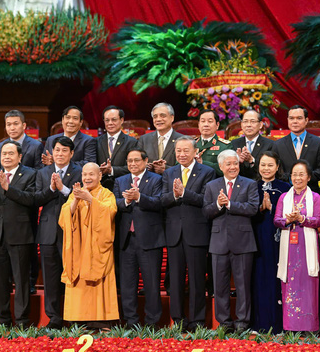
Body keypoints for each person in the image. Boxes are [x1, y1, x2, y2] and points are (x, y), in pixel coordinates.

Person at [160, 136, 216, 330]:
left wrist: (184, 193)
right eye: (178, 151)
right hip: (174, 233)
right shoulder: (169, 173)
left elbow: (206, 200)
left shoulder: (207, 172)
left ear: (195, 152)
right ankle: (177, 320)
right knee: (175, 280)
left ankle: (197, 321)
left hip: (197, 232)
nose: (182, 154)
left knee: (197, 279)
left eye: (186, 151)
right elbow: (162, 199)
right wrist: (175, 195)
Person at [0, 141, 37, 327]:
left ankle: (22, 321)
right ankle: (3, 320)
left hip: (20, 235)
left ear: (19, 156)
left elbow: (30, 200)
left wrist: (7, 188)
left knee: (21, 281)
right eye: (4, 153)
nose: (6, 157)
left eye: (11, 153)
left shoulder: (30, 174)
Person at [27, 136, 81, 329]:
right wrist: (51, 189)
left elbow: (81, 198)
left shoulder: (80, 172)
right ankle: (54, 318)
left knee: (73, 275)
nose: (60, 153)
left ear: (71, 153)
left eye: (64, 151)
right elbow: (36, 199)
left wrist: (64, 189)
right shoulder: (43, 173)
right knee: (50, 278)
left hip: (73, 232)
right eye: (57, 150)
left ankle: (73, 316)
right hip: (49, 232)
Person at [203, 150, 258, 331]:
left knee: (243, 285)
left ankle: (243, 321)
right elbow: (206, 212)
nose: (233, 167)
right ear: (221, 167)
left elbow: (252, 209)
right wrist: (219, 204)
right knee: (220, 286)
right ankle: (224, 322)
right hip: (218, 242)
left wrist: (230, 204)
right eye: (228, 164)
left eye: (235, 163)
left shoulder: (249, 184)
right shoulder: (212, 186)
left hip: (243, 241)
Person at [274, 160, 320, 332]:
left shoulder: (315, 197)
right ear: (290, 177)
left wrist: (302, 219)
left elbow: (318, 221)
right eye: (294, 174)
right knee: (289, 283)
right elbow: (277, 220)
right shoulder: (284, 197)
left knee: (308, 285)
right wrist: (288, 220)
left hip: (307, 247)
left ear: (308, 177)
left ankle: (309, 327)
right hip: (289, 249)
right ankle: (291, 327)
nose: (297, 178)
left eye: (301, 174)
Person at [59, 162, 119, 326]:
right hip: (78, 246)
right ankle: (76, 319)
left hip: (97, 247)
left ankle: (102, 320)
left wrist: (91, 200)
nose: (87, 178)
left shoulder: (107, 194)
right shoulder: (75, 194)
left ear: (100, 176)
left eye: (91, 174)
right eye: (85, 174)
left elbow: (110, 212)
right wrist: (76, 200)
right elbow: (64, 217)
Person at [112, 149, 165, 327]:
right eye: (129, 161)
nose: (133, 164)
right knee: (127, 285)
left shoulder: (157, 179)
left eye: (136, 160)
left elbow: (159, 203)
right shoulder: (120, 181)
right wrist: (126, 201)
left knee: (151, 283)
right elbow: (114, 204)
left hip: (150, 240)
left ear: (145, 160)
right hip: (126, 240)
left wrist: (139, 197)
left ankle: (152, 323)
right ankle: (131, 322)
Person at [250, 151, 289, 332]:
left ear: (277, 166)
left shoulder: (286, 188)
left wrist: (273, 209)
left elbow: (289, 214)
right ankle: (258, 323)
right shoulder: (252, 186)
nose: (266, 168)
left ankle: (279, 323)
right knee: (258, 278)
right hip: (256, 237)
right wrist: (260, 208)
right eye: (263, 165)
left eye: (270, 165)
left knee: (277, 277)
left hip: (279, 238)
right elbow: (247, 213)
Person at [272, 105, 320, 189]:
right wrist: (291, 179)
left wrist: (305, 179)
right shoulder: (278, 144)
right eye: (291, 118)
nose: (295, 121)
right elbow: (276, 169)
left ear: (306, 120)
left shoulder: (318, 143)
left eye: (299, 118)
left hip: (311, 191)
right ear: (287, 120)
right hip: (286, 191)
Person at [97, 106, 137, 189]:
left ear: (121, 120)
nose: (110, 123)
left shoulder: (131, 142)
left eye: (114, 120)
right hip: (99, 187)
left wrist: (112, 170)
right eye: (107, 120)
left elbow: (134, 167)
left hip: (122, 187)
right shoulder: (96, 141)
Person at [137, 103, 184, 174]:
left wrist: (166, 168)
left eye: (163, 116)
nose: (158, 119)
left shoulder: (183, 140)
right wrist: (147, 166)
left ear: (172, 118)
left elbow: (187, 166)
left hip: (173, 182)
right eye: (155, 117)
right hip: (150, 182)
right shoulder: (144, 139)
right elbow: (138, 162)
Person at [231, 110, 273, 180]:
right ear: (241, 124)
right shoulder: (234, 144)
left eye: (253, 121)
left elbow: (271, 168)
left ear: (260, 125)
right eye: (245, 121)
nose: (248, 125)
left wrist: (252, 160)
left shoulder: (270, 144)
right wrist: (237, 162)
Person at [195, 110, 232, 177]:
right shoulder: (191, 144)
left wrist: (203, 163)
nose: (206, 124)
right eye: (203, 121)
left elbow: (227, 169)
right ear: (198, 125)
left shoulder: (225, 146)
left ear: (217, 125)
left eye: (210, 121)